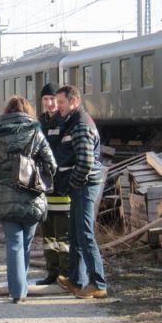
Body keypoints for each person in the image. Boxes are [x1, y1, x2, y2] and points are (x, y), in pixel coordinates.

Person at [0, 96, 57, 304]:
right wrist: (40, 179)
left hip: (4, 193)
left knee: (14, 243)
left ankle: (17, 292)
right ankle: (22, 289)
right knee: (27, 243)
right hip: (31, 193)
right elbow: (52, 164)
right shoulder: (35, 132)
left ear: (6, 112)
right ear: (27, 111)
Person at [55, 85, 107, 299]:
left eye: (61, 103)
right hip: (81, 186)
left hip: (84, 186)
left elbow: (85, 162)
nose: (58, 107)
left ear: (74, 101)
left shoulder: (80, 125)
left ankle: (98, 283)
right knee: (76, 233)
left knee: (85, 234)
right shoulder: (74, 122)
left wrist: (73, 184)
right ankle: (77, 280)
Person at [35, 83, 71, 285]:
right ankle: (52, 272)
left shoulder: (65, 121)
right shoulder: (39, 123)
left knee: (63, 236)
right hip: (45, 189)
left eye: (53, 99)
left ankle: (65, 274)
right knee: (48, 236)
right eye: (45, 100)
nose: (50, 104)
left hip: (62, 189)